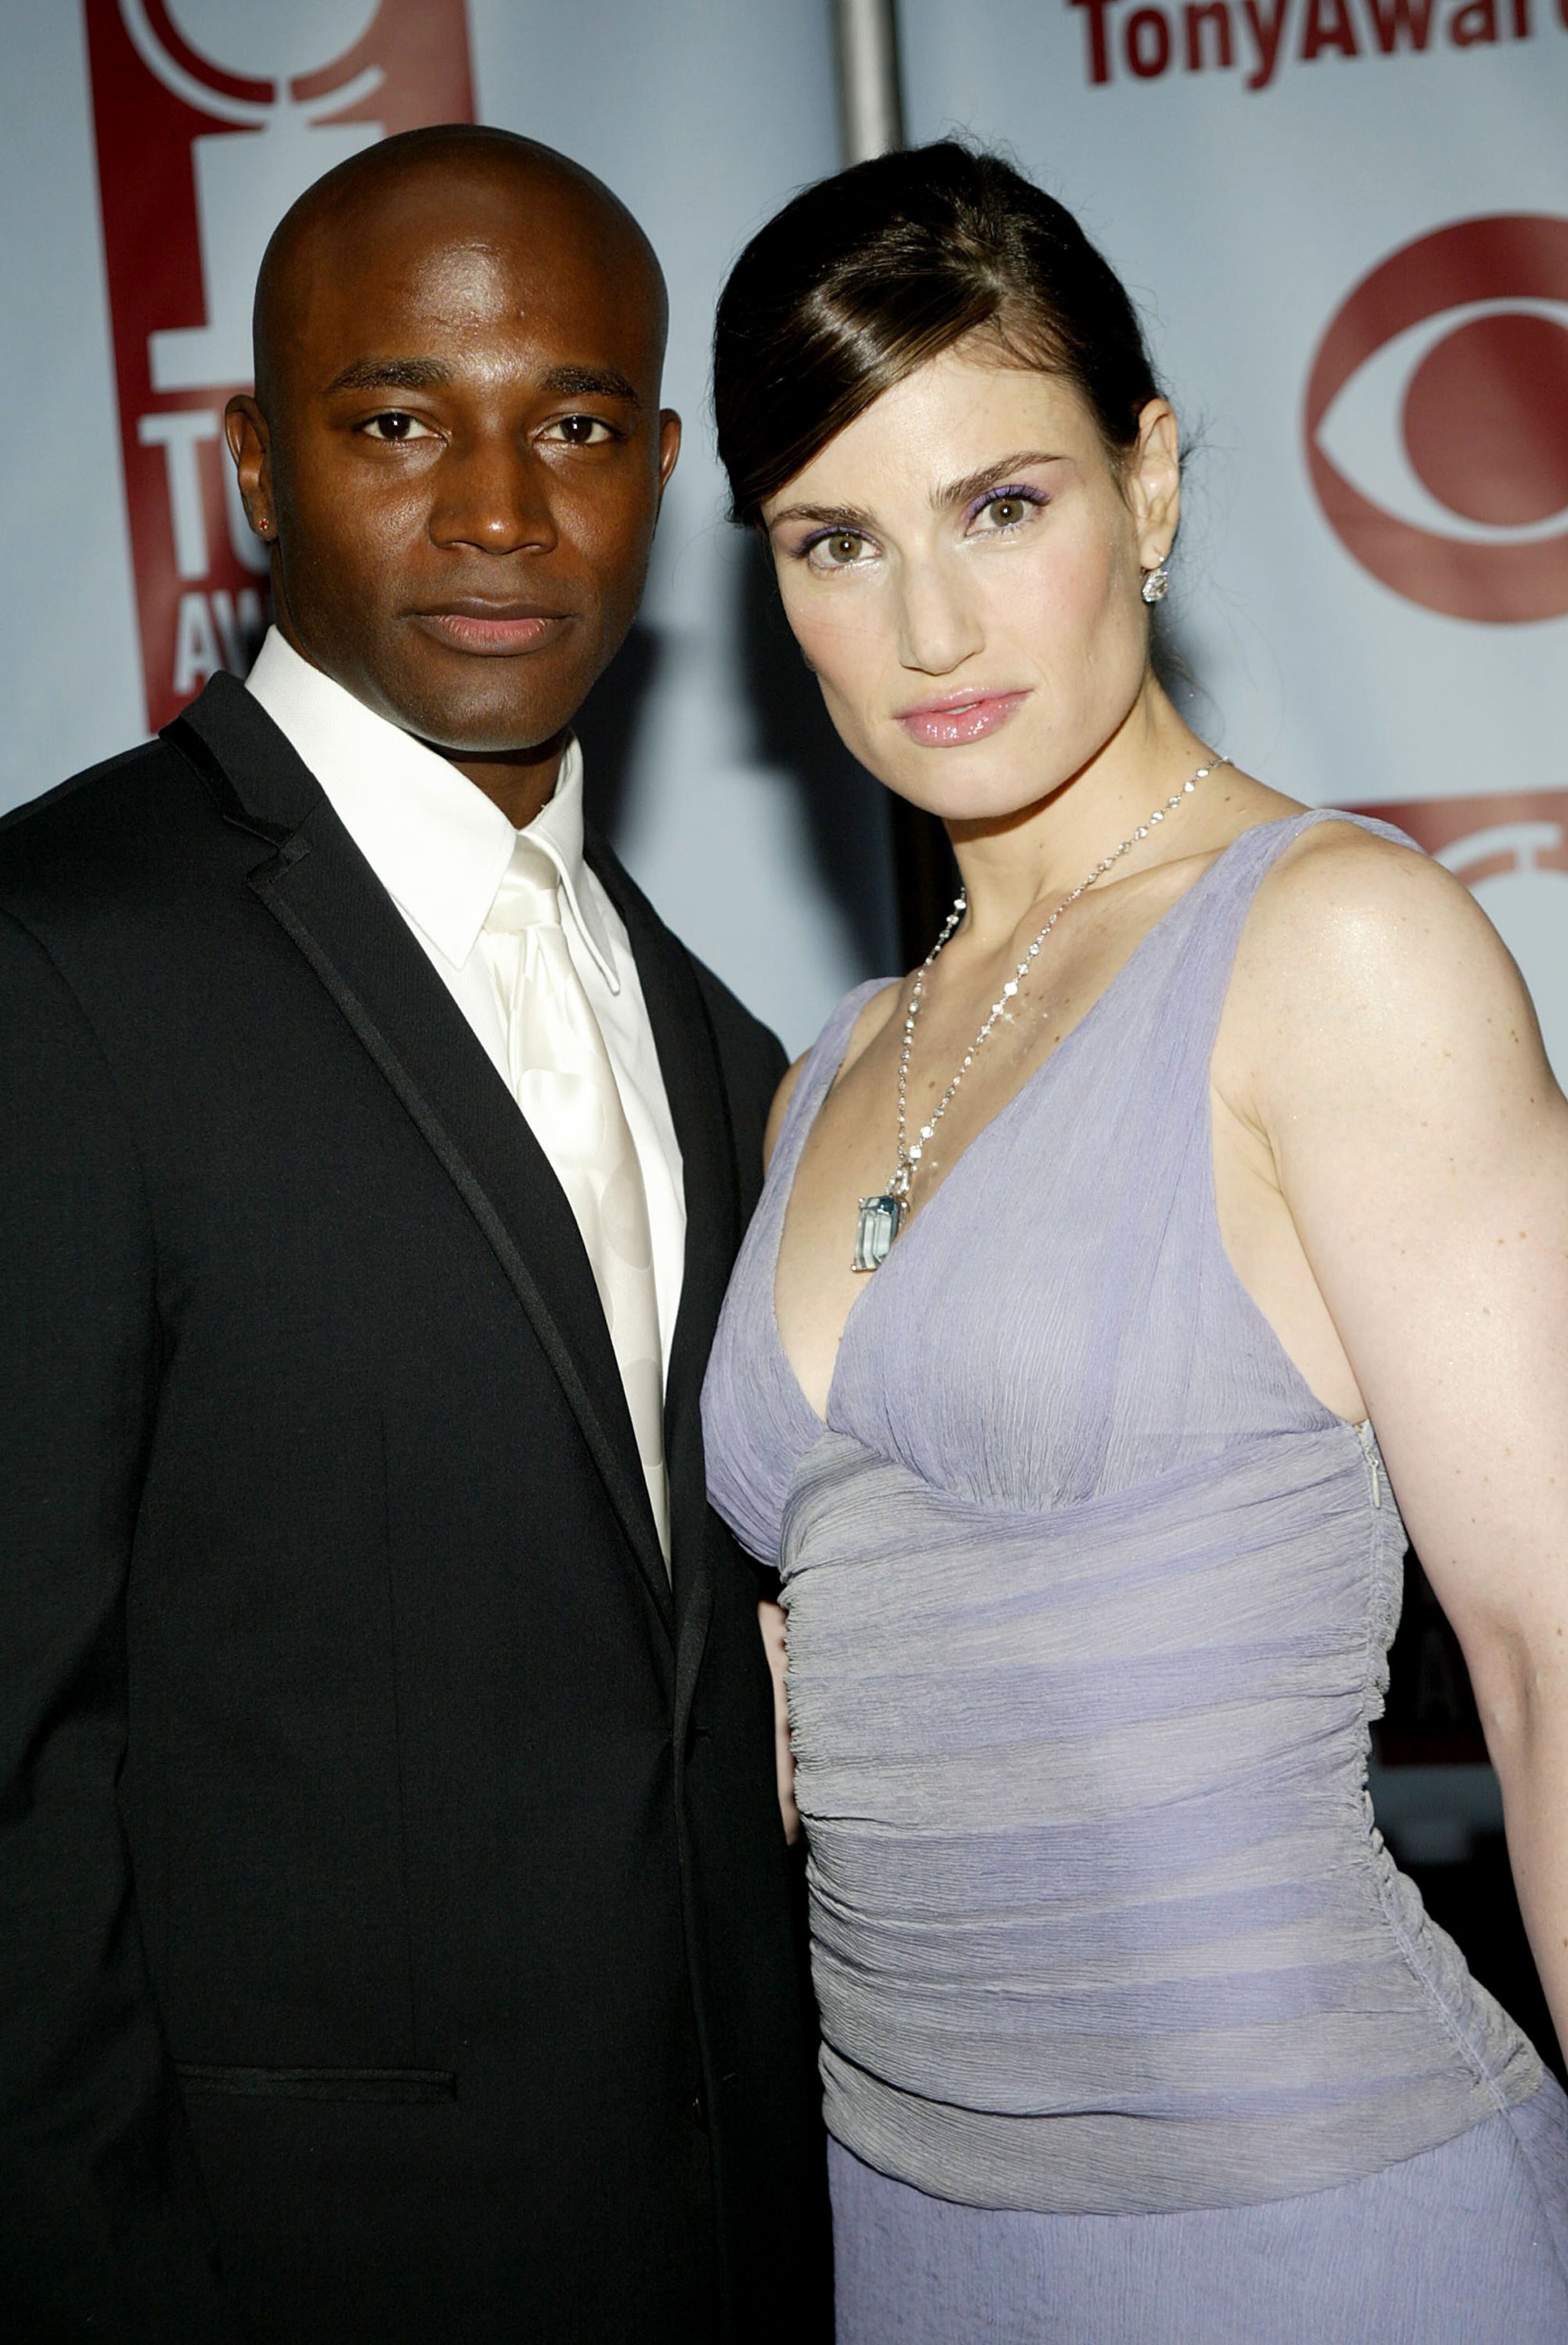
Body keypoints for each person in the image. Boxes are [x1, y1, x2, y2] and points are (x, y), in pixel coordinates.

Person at [701, 142, 1568, 2342]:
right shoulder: (831, 1072)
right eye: (836, 542)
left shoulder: (1337, 948)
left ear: (1150, 482)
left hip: (1318, 2228)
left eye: (1002, 506)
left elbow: (1553, 1661)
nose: (929, 629)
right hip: (904, 2232)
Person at [0, 125, 830, 2344]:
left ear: (665, 471)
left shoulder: (719, 1032)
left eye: (576, 427)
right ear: (255, 465)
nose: (497, 510)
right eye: (396, 423)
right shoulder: (55, 961)